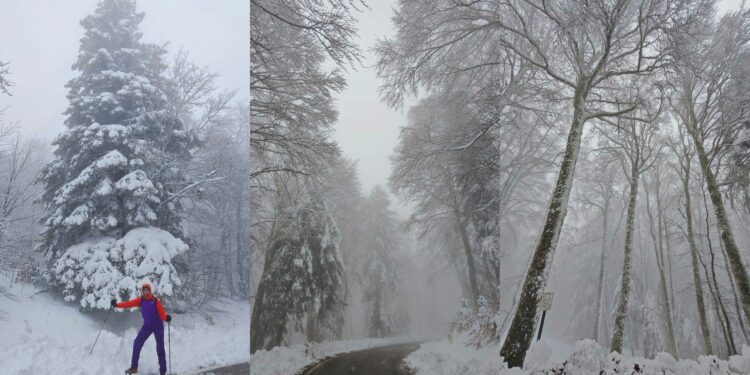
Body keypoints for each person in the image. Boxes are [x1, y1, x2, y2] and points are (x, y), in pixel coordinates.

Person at [112, 282, 172, 375]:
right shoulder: (141, 300)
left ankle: (163, 371)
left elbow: (162, 314)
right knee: (137, 343)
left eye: (147, 290)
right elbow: (128, 304)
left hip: (158, 327)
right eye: (144, 290)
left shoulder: (156, 301)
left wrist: (166, 318)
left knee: (160, 348)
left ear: (150, 291)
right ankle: (134, 367)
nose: (146, 292)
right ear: (142, 291)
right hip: (147, 326)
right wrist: (117, 305)